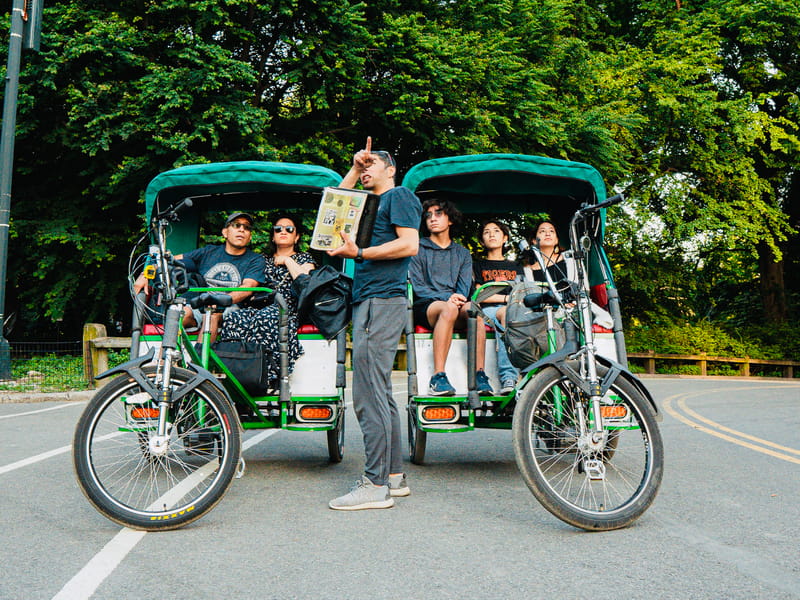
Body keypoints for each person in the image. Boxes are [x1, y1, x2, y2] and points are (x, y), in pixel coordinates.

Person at [327, 137, 421, 511]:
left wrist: (361, 252)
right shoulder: (368, 204)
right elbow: (332, 214)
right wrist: (353, 168)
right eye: (362, 166)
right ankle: (393, 477)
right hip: (371, 299)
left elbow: (410, 244)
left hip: (381, 300)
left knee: (367, 393)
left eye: (372, 165)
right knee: (379, 391)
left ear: (391, 169)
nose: (366, 171)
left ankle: (375, 484)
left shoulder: (399, 196)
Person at [409, 199, 494, 397]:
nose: (432, 218)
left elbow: (464, 288)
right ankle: (438, 377)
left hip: (457, 304)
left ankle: (479, 375)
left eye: (438, 213)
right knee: (448, 308)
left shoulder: (462, 253)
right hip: (427, 306)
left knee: (474, 310)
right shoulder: (417, 248)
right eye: (428, 215)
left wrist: (457, 299)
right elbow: (419, 288)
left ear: (450, 220)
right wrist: (448, 298)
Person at [134, 212, 265, 340]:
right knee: (178, 315)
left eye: (247, 227)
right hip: (200, 303)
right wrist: (145, 274)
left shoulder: (255, 259)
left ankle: (199, 355)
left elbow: (248, 287)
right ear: (225, 232)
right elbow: (168, 261)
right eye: (236, 225)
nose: (242, 229)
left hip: (231, 307)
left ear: (250, 236)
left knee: (211, 314)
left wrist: (220, 300)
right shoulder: (208, 252)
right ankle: (167, 355)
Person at [218, 214, 316, 383]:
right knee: (235, 317)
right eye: (278, 229)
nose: (283, 232)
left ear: (296, 236)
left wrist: (287, 261)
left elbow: (305, 282)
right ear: (273, 236)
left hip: (287, 309)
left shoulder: (304, 259)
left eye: (289, 229)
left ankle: (268, 374)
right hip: (257, 306)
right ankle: (234, 373)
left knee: (267, 317)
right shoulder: (261, 259)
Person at [472, 219, 522, 395]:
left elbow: (521, 291)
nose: (491, 234)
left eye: (496, 231)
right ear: (482, 241)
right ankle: (508, 377)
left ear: (505, 238)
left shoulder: (516, 266)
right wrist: (507, 298)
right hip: (489, 311)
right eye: (486, 232)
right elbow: (480, 295)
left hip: (513, 310)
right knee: (506, 312)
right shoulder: (478, 265)